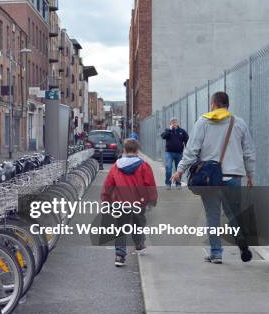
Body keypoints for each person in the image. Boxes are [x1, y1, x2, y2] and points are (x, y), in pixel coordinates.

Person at [171, 92, 255, 264]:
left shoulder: (203, 121)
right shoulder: (239, 123)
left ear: (214, 105)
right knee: (233, 213)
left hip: (210, 177)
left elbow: (191, 150)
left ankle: (216, 253)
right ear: (227, 105)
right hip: (233, 176)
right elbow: (248, 152)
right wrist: (250, 174)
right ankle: (241, 240)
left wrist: (179, 170)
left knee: (212, 215)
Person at [101, 138, 158, 267]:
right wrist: (152, 200)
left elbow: (108, 184)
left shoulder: (116, 166)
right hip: (139, 202)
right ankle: (139, 245)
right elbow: (150, 184)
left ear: (124, 150)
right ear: (138, 150)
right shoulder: (144, 166)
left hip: (120, 202)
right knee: (138, 224)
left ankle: (120, 256)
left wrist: (106, 199)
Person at [161, 118, 189, 189]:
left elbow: (187, 141)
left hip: (179, 153)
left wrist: (187, 150)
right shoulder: (168, 131)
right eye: (172, 123)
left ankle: (178, 184)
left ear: (178, 123)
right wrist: (170, 130)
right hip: (169, 153)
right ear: (170, 124)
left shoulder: (182, 131)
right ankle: (168, 183)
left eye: (175, 122)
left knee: (179, 169)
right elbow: (163, 136)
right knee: (168, 168)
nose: (174, 124)